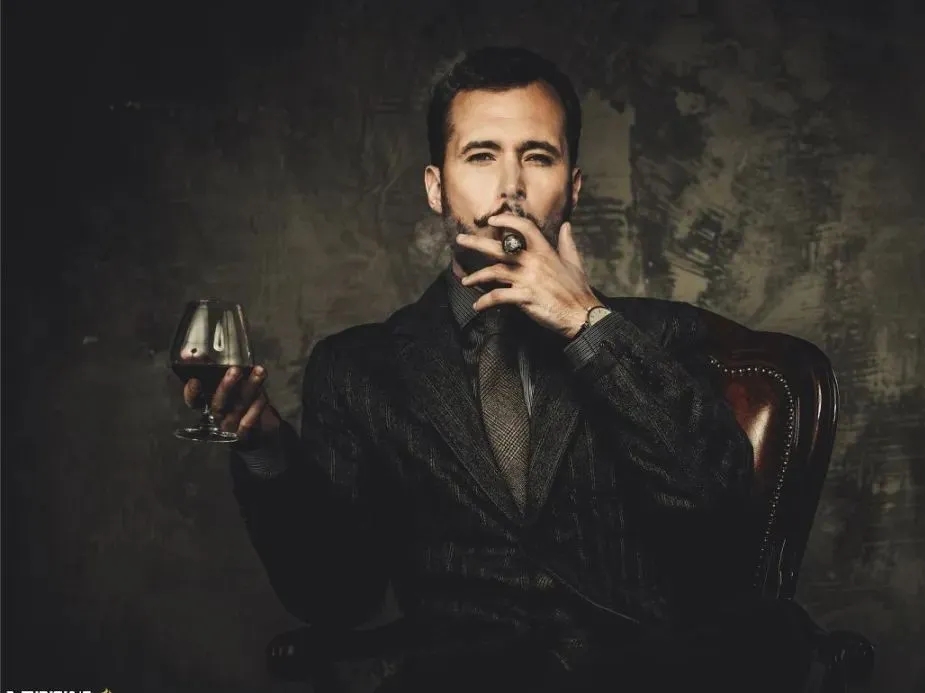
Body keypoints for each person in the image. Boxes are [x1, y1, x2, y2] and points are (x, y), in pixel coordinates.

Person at [181, 46, 817, 692]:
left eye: (537, 157)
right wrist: (266, 453)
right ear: (436, 187)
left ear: (573, 187)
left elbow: (718, 520)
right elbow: (335, 597)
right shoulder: (359, 370)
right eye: (481, 155)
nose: (510, 186)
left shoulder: (658, 336)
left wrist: (585, 324)